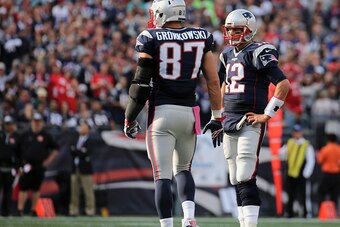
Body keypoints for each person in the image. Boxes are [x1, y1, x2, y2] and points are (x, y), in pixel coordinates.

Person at [123, 0, 223, 226]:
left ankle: (167, 225)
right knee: (184, 170)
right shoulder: (201, 36)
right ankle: (189, 219)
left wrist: (130, 117)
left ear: (161, 14)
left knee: (162, 175)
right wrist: (217, 117)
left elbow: (141, 85)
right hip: (189, 113)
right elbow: (214, 82)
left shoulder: (150, 37)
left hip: (161, 114)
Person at [217, 9, 290, 227]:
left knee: (246, 174)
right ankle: (243, 223)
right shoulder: (226, 54)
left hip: (250, 120)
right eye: (229, 29)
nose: (232, 34)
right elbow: (224, 85)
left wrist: (267, 114)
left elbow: (283, 84)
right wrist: (218, 114)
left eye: (237, 30)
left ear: (250, 30)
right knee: (235, 178)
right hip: (229, 119)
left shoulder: (259, 51)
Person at [17, 112, 59, 216]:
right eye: (35, 121)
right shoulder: (25, 134)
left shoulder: (46, 135)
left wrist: (49, 161)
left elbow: (56, 149)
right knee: (23, 187)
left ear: (41, 123)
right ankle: (20, 210)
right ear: (32, 122)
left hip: (39, 165)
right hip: (26, 165)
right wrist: (20, 163)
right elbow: (17, 149)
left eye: (38, 121)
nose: (36, 123)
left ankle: (33, 210)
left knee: (36, 188)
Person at [280, 124, 315, 218]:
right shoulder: (289, 142)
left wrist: (306, 173)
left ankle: (306, 213)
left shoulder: (306, 144)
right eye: (295, 132)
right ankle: (289, 213)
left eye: (298, 132)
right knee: (290, 195)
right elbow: (281, 154)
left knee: (303, 195)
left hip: (301, 173)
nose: (296, 134)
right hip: (291, 173)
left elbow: (311, 160)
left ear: (301, 133)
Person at [69, 119, 95, 217]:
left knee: (88, 191)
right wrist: (80, 151)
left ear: (88, 129)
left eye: (84, 126)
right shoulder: (75, 138)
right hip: (75, 167)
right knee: (74, 192)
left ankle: (90, 210)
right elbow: (71, 150)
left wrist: (77, 151)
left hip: (85, 169)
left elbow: (87, 152)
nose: (82, 128)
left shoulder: (90, 140)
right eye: (81, 126)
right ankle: (73, 210)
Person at [0, 115, 20, 216]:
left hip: (10, 168)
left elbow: (20, 152)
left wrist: (19, 165)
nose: (8, 126)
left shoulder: (17, 137)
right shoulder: (1, 135)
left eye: (9, 124)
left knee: (8, 191)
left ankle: (5, 212)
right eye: (6, 124)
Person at [316, 133, 340, 209]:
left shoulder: (326, 149)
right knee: (334, 195)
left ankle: (322, 211)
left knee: (321, 193)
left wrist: (317, 154)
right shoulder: (339, 149)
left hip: (327, 175)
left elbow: (320, 160)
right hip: (337, 175)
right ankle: (333, 212)